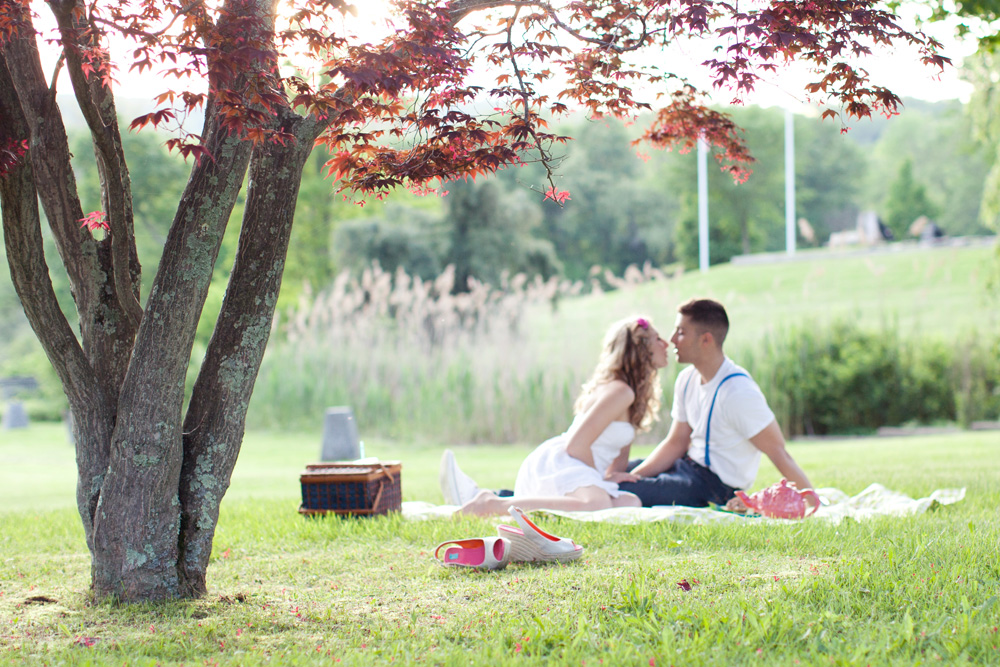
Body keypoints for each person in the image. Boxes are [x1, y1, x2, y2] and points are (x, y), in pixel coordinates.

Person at [440, 316, 670, 517]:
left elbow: (615, 466)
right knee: (597, 503)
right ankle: (493, 503)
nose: (665, 344)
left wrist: (610, 478)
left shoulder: (631, 395)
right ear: (641, 349)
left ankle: (495, 501)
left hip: (581, 467)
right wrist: (598, 481)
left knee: (630, 502)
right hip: (564, 461)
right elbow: (576, 445)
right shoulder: (620, 391)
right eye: (657, 339)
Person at [616, 298, 814, 509]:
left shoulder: (738, 392)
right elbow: (676, 442)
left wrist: (813, 502)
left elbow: (779, 452)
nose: (672, 339)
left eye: (681, 332)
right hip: (684, 467)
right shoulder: (686, 379)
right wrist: (633, 475)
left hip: (714, 487)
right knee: (610, 475)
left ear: (706, 340)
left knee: (620, 490)